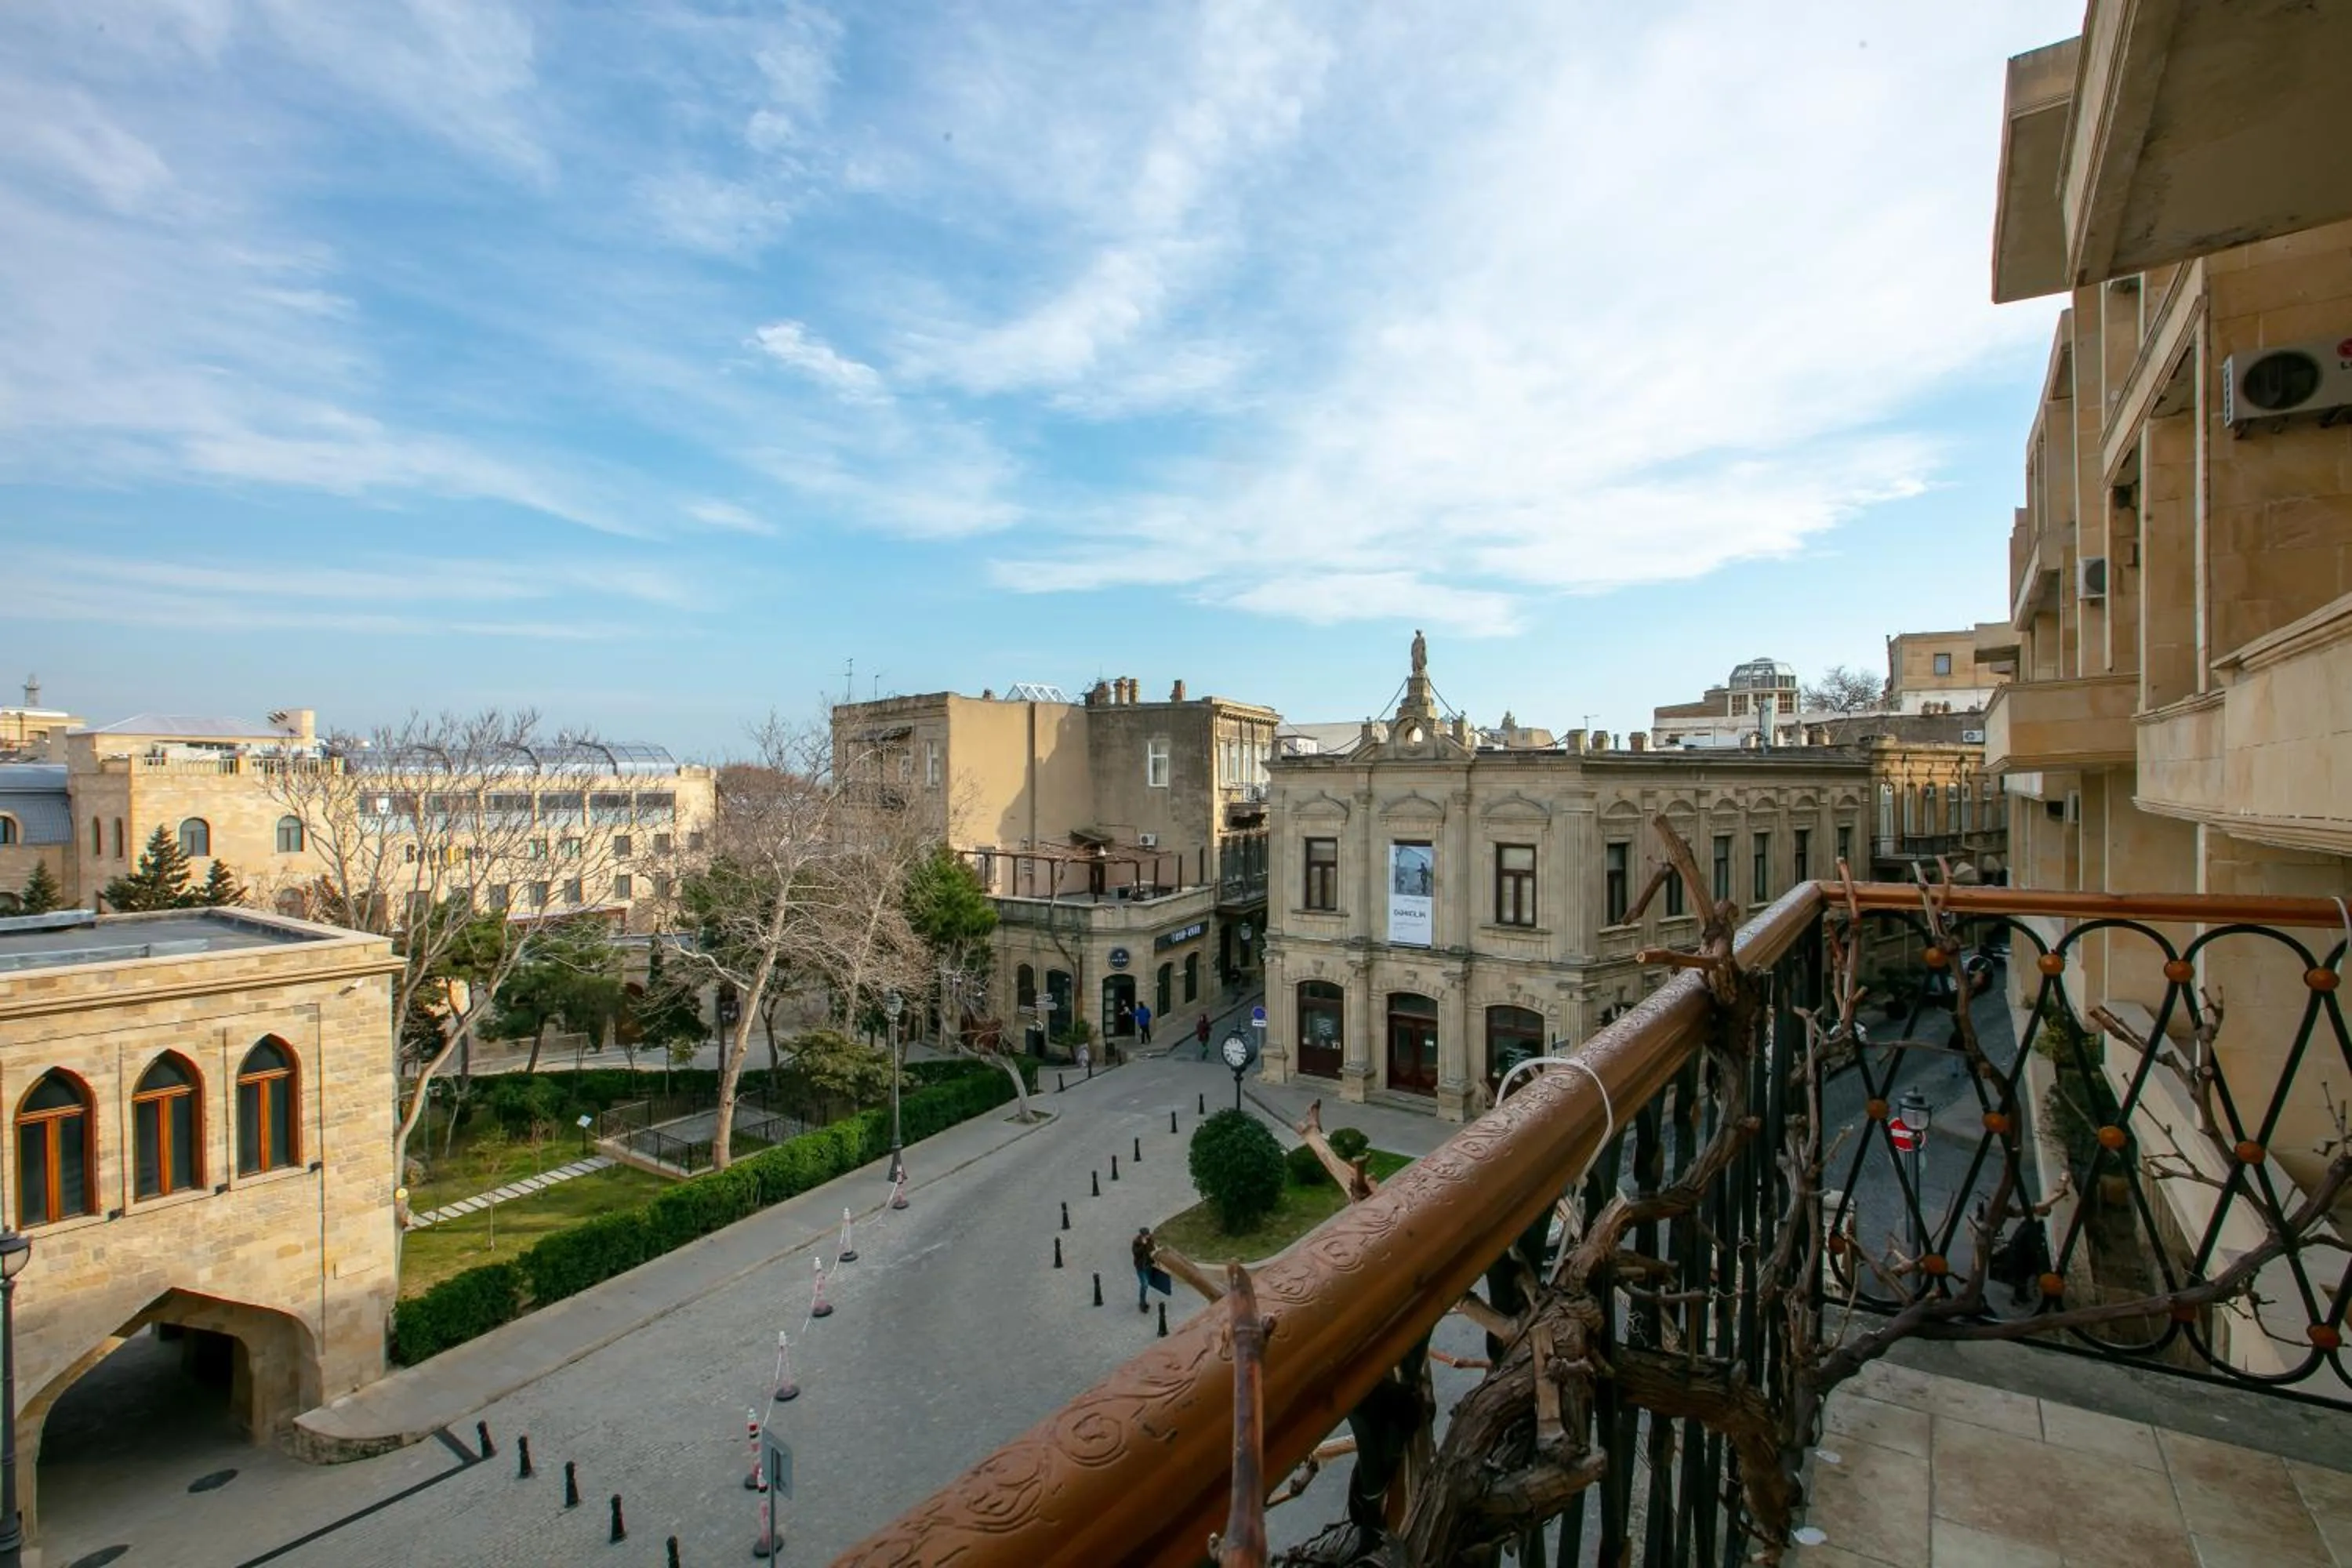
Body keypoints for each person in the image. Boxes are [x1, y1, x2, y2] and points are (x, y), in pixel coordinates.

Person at [1132, 1226, 1156, 1312]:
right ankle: (1142, 1303)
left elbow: (1152, 1250)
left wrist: (1149, 1244)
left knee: (1148, 1283)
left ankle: (1143, 1301)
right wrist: (1143, 1245)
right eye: (1145, 1235)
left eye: (1147, 1235)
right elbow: (1137, 1253)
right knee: (1144, 1284)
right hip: (1141, 1267)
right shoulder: (1136, 1243)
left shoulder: (1150, 1240)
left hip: (1148, 1265)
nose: (1147, 1237)